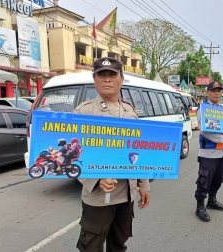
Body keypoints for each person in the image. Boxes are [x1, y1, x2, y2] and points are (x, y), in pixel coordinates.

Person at [73, 57, 150, 252]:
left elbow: (138, 150)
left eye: (112, 75)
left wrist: (144, 185)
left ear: (121, 79)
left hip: (126, 195)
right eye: (102, 75)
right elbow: (74, 156)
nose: (107, 79)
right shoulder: (83, 113)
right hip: (98, 197)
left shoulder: (130, 112)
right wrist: (96, 179)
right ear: (95, 79)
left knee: (119, 243)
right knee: (91, 246)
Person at [195, 81, 223, 222]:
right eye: (213, 91)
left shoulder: (222, 110)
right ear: (207, 93)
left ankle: (212, 201)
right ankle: (200, 206)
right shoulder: (203, 109)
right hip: (207, 153)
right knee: (204, 180)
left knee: (218, 179)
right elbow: (205, 131)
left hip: (220, 153)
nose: (217, 93)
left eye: (219, 91)